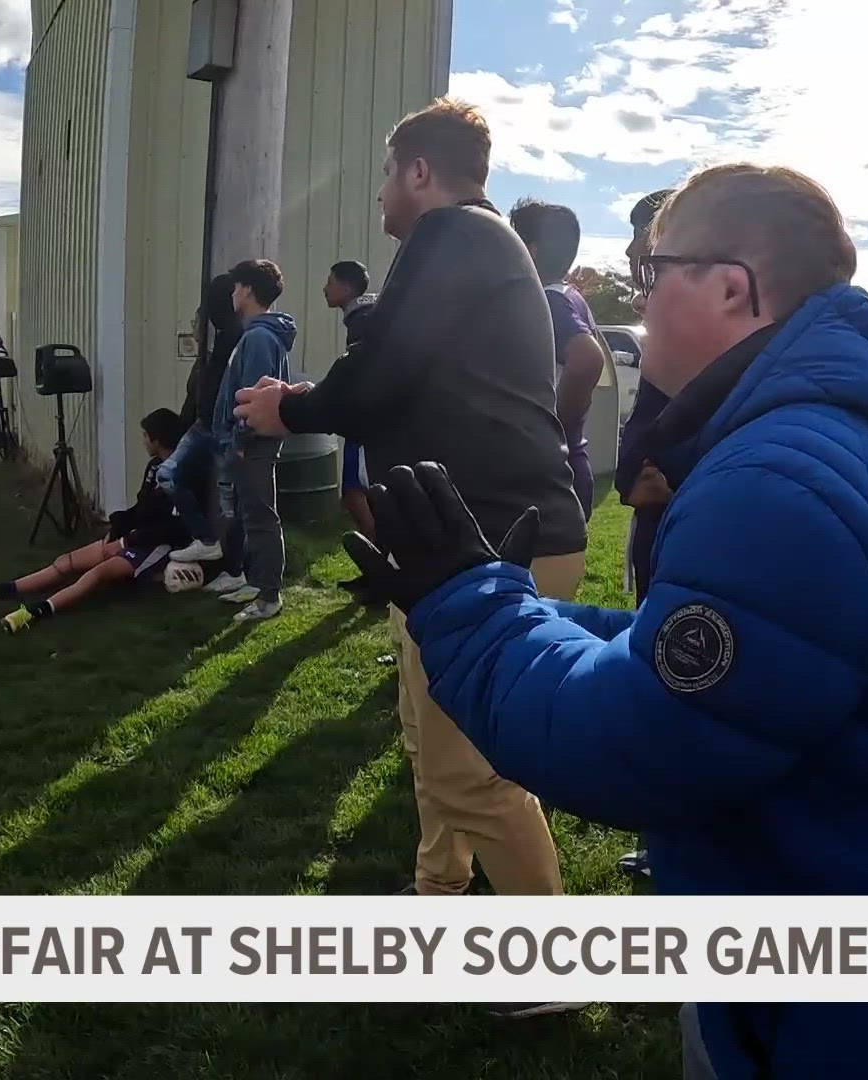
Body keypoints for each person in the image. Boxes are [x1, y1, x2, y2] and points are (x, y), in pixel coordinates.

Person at [341, 163, 868, 1077]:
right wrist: (507, 597)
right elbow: (721, 662)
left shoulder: (782, 475)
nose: (638, 299)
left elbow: (641, 746)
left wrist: (468, 611)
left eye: (651, 272)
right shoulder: (795, 443)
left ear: (732, 286)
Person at [234, 99, 588, 917]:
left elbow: (385, 368)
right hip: (457, 542)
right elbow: (406, 376)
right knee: (429, 741)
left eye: (388, 175)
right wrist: (305, 395)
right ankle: (440, 891)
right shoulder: (478, 243)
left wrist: (288, 410)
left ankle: (553, 969)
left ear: (420, 171)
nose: (383, 195)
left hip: (494, 541)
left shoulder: (452, 235)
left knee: (469, 767)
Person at [0, 407, 205, 631]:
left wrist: (125, 542)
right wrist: (118, 528)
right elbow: (142, 508)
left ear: (156, 439)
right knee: (66, 563)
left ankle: (32, 613)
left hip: (158, 545)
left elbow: (173, 526)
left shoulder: (180, 473)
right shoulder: (154, 466)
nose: (142, 441)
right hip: (135, 536)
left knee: (97, 574)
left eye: (144, 436)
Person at [174, 258, 295, 623]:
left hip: (251, 443)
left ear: (248, 290)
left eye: (237, 286)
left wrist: (240, 441)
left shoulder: (258, 337)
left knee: (260, 517)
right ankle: (256, 583)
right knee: (250, 513)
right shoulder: (255, 333)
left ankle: (269, 598)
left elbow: (254, 397)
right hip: (246, 442)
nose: (233, 293)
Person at [612, 188, 674, 882]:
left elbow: (665, 471)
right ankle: (667, 846)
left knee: (683, 689)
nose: (631, 257)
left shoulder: (710, 353)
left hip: (685, 545)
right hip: (655, 533)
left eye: (646, 243)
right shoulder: (664, 340)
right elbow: (636, 473)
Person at [509, 198, 604, 521]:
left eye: (512, 241)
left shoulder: (548, 300)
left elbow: (587, 359)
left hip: (550, 474)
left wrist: (553, 432)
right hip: (569, 467)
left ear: (529, 251)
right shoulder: (570, 295)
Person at [323, 260, 379, 545]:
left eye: (330, 282)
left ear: (347, 286)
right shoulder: (365, 315)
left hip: (366, 423)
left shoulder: (363, 320)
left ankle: (382, 560)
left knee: (356, 493)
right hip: (365, 421)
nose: (325, 288)